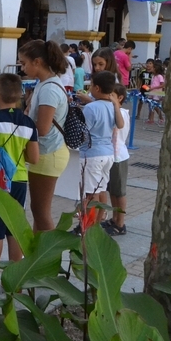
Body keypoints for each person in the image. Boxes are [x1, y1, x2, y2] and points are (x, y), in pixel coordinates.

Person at [0, 74, 39, 280]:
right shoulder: (29, 123)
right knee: (14, 228)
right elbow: (34, 158)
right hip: (19, 180)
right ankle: (15, 279)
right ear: (20, 96)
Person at [18, 39, 69, 232]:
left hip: (49, 153)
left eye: (24, 63)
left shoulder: (49, 89)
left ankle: (49, 249)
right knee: (38, 210)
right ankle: (38, 247)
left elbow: (43, 128)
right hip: (46, 152)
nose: (22, 68)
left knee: (41, 211)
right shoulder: (45, 83)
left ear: (37, 62)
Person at [73, 71, 123, 236]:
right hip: (108, 154)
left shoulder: (91, 108)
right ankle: (96, 225)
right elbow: (119, 125)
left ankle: (87, 228)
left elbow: (83, 131)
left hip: (92, 154)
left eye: (91, 85)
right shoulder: (112, 106)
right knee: (101, 190)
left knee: (90, 194)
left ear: (97, 88)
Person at [103, 84, 130, 237]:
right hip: (111, 156)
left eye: (111, 95)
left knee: (119, 192)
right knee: (112, 191)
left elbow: (119, 124)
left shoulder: (122, 113)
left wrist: (114, 105)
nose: (108, 97)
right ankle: (114, 218)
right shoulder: (112, 110)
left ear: (120, 98)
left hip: (119, 156)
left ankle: (120, 223)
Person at [146, 60, 165, 126]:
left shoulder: (159, 76)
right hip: (152, 92)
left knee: (155, 106)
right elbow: (153, 84)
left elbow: (162, 85)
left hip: (157, 93)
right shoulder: (153, 76)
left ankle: (160, 117)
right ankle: (151, 119)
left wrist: (153, 87)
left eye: (153, 68)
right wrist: (149, 86)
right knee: (150, 105)